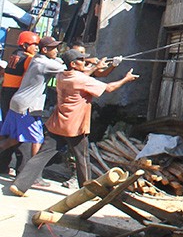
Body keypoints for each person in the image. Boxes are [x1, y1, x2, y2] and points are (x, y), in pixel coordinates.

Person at [8, 49, 138, 196]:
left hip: (58, 123)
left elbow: (83, 75)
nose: (85, 62)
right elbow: (108, 88)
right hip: (74, 125)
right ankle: (88, 191)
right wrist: (125, 79)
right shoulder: (81, 79)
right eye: (82, 60)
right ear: (73, 64)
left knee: (42, 155)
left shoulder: (62, 75)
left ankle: (19, 185)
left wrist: (109, 65)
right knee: (82, 158)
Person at [0, 37, 64, 179]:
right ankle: (32, 177)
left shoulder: (25, 57)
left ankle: (16, 171)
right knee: (37, 139)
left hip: (14, 100)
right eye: (53, 48)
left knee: (13, 139)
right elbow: (67, 70)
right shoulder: (42, 62)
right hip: (27, 105)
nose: (57, 51)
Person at [0, 31, 39, 175]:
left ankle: (3, 165)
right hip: (17, 95)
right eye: (34, 44)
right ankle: (22, 170)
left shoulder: (14, 55)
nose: (36, 48)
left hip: (6, 94)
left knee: (10, 130)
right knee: (23, 132)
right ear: (24, 45)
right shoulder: (28, 59)